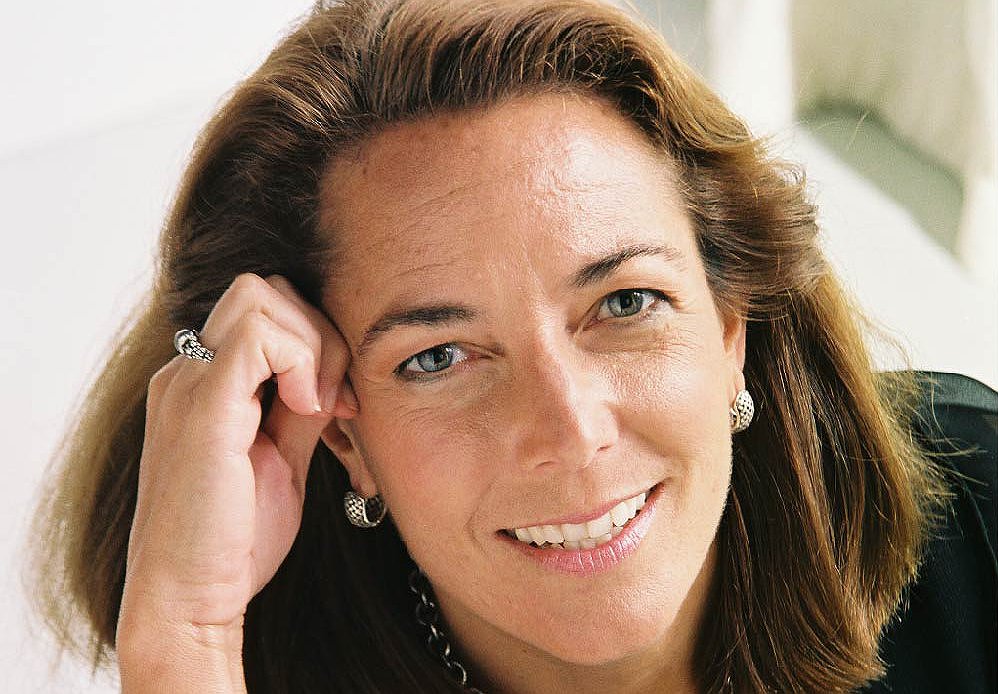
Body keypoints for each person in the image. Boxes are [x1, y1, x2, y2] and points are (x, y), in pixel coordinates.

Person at [28, 0, 996, 692]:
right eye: (438, 357)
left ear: (729, 324)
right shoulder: (247, 668)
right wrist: (182, 634)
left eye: (624, 302)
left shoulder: (979, 500)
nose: (569, 431)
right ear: (340, 432)